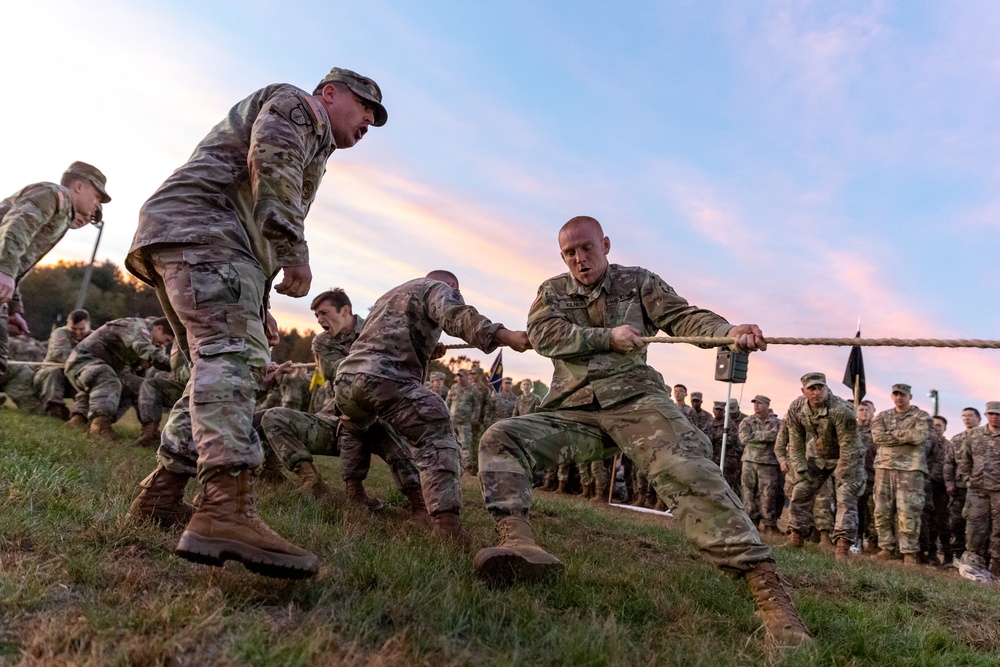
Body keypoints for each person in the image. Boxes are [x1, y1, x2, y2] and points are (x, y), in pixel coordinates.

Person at [474, 216, 811, 646]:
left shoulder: (637, 282)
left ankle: (774, 604)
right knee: (501, 437)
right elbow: (545, 335)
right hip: (574, 411)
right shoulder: (553, 291)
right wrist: (606, 337)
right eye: (569, 253)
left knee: (690, 471)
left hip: (637, 404)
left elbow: (683, 317)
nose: (579, 259)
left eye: (586, 248)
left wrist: (726, 333)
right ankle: (520, 547)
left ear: (606, 245)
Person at [126, 67, 387, 579]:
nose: (369, 124)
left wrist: (259, 298)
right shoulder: (298, 106)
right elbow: (272, 162)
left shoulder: (315, 138)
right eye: (365, 110)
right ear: (330, 94)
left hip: (193, 235)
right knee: (232, 361)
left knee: (217, 369)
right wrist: (293, 249)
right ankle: (226, 510)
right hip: (203, 231)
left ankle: (161, 495)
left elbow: (251, 203)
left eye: (375, 119)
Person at [333, 270, 530, 545]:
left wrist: (426, 346)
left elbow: (386, 338)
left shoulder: (390, 296)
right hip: (383, 378)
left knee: (358, 429)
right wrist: (504, 335)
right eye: (456, 293)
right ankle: (447, 527)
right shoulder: (437, 287)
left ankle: (354, 494)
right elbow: (456, 315)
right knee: (435, 431)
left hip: (345, 382)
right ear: (451, 286)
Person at [0, 162, 109, 388]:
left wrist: (13, 308)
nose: (96, 204)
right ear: (79, 186)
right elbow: (15, 228)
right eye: (97, 196)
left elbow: (19, 263)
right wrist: (4, 270)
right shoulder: (54, 195)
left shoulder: (60, 211)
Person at [783, 372, 865, 562]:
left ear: (826, 388)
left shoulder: (841, 410)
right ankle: (796, 536)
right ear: (803, 391)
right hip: (818, 453)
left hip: (848, 455)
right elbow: (796, 442)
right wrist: (801, 468)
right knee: (801, 489)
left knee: (845, 496)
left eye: (821, 387)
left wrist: (843, 476)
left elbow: (849, 447)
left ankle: (842, 548)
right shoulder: (797, 407)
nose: (817, 392)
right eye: (812, 388)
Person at [64, 317, 174, 440]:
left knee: (142, 386)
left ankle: (149, 432)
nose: (165, 344)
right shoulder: (136, 326)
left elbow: (154, 360)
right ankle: (99, 426)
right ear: (159, 329)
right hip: (83, 363)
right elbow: (144, 348)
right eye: (167, 340)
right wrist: (176, 365)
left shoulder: (155, 343)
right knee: (106, 377)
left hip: (107, 369)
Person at [871, 383, 930, 565]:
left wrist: (892, 434)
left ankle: (909, 552)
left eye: (902, 394)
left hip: (910, 470)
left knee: (908, 511)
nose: (899, 397)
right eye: (895, 394)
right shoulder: (882, 416)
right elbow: (877, 437)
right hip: (884, 468)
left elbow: (918, 436)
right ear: (891, 396)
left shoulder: (921, 416)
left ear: (909, 396)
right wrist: (905, 437)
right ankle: (886, 548)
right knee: (882, 510)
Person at [958, 402, 1000, 577]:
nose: (994, 417)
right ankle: (974, 566)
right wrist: (967, 479)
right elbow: (965, 459)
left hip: (998, 491)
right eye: (991, 413)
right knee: (975, 526)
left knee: (998, 529)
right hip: (977, 490)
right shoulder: (975, 434)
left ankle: (996, 566)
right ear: (986, 415)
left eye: (997, 414)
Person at [34, 309, 91, 420]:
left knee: (92, 377)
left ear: (89, 324)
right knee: (54, 371)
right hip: (48, 378)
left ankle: (83, 414)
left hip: (76, 378)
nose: (78, 332)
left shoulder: (96, 337)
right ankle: (54, 410)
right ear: (67, 324)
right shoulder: (59, 334)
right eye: (73, 329)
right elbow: (63, 354)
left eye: (82, 329)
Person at [739, 395, 781, 535]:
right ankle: (751, 522)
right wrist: (766, 435)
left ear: (767, 405)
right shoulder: (747, 421)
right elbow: (744, 438)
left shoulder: (776, 422)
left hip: (768, 463)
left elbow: (778, 437)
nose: (756, 405)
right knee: (748, 492)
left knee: (768, 494)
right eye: (755, 403)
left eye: (760, 403)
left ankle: (769, 524)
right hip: (749, 461)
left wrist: (755, 435)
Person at [133, 347, 190, 448]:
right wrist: (158, 362)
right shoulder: (180, 337)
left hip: (211, 392)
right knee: (152, 385)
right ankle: (150, 433)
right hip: (188, 388)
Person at [944, 407, 981, 562]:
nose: (966, 419)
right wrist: (949, 483)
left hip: (981, 487)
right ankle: (957, 555)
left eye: (970, 416)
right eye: (964, 416)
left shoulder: (985, 437)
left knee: (978, 523)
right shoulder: (957, 439)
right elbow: (949, 463)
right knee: (957, 521)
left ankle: (978, 556)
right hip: (960, 488)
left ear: (979, 418)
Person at [921, 416, 950, 565]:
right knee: (927, 522)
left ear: (945, 428)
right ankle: (929, 553)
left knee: (942, 523)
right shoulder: (924, 442)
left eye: (939, 425)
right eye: (933, 425)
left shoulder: (948, 445)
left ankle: (947, 555)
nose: (935, 427)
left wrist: (931, 479)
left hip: (940, 488)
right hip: (923, 487)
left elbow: (945, 464)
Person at [446, 369, 479, 476]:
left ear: (466, 376)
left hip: (465, 422)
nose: (459, 378)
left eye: (461, 376)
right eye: (458, 376)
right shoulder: (454, 387)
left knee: (465, 445)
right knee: (451, 443)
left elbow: (477, 406)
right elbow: (448, 401)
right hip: (452, 421)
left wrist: (474, 417)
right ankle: (452, 466)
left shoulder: (473, 389)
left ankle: (466, 469)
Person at [856, 400, 879, 552]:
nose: (864, 412)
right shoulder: (851, 430)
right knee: (855, 510)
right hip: (855, 476)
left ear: (872, 412)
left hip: (872, 477)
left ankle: (872, 541)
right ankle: (855, 539)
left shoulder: (877, 431)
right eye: (861, 409)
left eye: (867, 409)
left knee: (872, 511)